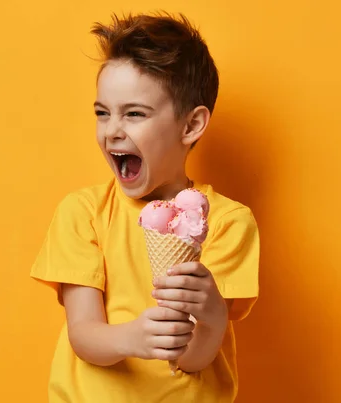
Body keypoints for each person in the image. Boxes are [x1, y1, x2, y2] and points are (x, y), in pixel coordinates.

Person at [30, 11, 260, 403]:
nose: (112, 129)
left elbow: (194, 359)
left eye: (134, 113)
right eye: (102, 113)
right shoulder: (83, 212)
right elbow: (84, 334)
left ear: (190, 126)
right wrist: (132, 337)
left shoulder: (226, 222)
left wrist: (212, 317)